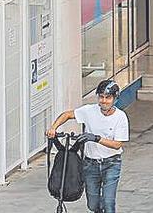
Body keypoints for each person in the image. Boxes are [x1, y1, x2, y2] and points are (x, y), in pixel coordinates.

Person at [46, 80, 128, 213]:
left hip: (111, 163)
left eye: (108, 98)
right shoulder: (89, 111)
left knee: (108, 202)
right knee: (93, 204)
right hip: (90, 164)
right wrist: (53, 128)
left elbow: (117, 144)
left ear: (115, 99)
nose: (104, 101)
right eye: (101, 97)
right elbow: (67, 115)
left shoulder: (120, 117)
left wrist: (96, 138)